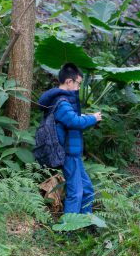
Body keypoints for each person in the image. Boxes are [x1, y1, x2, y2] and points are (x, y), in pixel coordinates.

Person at [38, 63, 102, 215]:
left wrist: (85, 118)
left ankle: (86, 223)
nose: (79, 87)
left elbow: (72, 121)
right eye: (78, 83)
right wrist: (92, 118)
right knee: (76, 193)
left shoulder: (62, 101)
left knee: (87, 190)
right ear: (69, 82)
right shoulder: (62, 102)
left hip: (74, 154)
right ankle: (69, 231)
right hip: (68, 154)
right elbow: (74, 122)